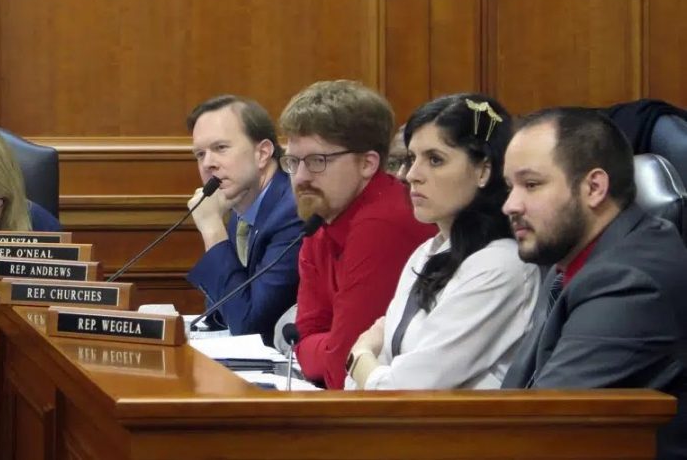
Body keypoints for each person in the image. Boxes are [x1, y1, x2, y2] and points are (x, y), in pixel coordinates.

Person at [501, 107, 687, 458]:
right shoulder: (577, 259)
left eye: (531, 184)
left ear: (594, 187)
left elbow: (537, 427)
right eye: (509, 187)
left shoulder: (630, 282)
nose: (510, 205)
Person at [344, 94, 539, 390]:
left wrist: (359, 357)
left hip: (460, 434)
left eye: (435, 160)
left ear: (483, 170)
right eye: (411, 159)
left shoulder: (500, 265)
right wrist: (370, 368)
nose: (411, 175)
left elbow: (401, 391)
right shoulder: (427, 252)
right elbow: (373, 382)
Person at [279, 80, 436, 389]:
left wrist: (329, 349)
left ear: (367, 163)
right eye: (293, 161)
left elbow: (344, 372)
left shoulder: (382, 223)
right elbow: (303, 338)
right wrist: (330, 346)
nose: (300, 178)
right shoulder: (321, 218)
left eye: (316, 161)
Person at [185, 95, 304, 345]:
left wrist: (212, 230)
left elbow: (250, 325)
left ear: (262, 153)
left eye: (220, 148)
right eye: (199, 154)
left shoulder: (292, 213)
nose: (208, 164)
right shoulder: (241, 210)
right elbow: (223, 311)